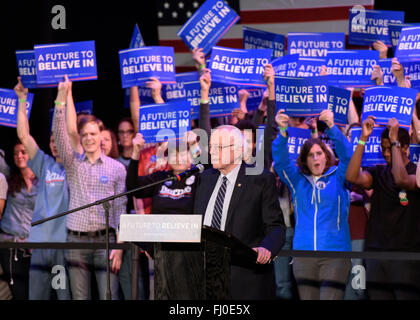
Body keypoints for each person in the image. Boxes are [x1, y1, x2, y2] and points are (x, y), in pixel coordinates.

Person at [52, 76, 126, 300]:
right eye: (84, 135)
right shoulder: (73, 164)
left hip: (107, 241)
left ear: (101, 136)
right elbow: (61, 133)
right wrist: (61, 99)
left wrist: (120, 247)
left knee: (108, 297)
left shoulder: (117, 168)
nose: (89, 138)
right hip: (76, 241)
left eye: (93, 134)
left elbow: (120, 209)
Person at [194, 122, 285, 299]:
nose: (211, 151)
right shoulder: (205, 178)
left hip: (243, 278)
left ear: (237, 151)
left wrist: (266, 248)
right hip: (205, 275)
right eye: (211, 146)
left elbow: (276, 227)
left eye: (218, 147)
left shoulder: (260, 179)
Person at [272, 103, 353, 299]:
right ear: (305, 160)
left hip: (335, 254)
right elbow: (281, 162)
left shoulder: (339, 177)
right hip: (303, 255)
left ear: (326, 156)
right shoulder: (297, 181)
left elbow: (349, 157)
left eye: (319, 154)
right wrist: (283, 131)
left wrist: (332, 126)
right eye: (310, 155)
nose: (315, 159)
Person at [346, 116, 420, 299]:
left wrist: (395, 139)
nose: (386, 153)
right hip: (376, 253)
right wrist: (363, 138)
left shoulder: (416, 172)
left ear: (405, 148)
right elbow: (351, 177)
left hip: (406, 255)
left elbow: (402, 180)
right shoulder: (378, 172)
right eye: (384, 149)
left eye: (391, 148)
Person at [14, 77, 71, 300]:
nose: (56, 143)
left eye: (60, 139)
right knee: (36, 296)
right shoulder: (43, 163)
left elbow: (73, 133)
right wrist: (21, 99)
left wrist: (65, 96)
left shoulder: (74, 166)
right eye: (52, 140)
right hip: (39, 246)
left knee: (63, 296)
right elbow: (23, 136)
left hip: (63, 247)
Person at [0, 141, 37, 300]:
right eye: (15, 153)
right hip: (9, 245)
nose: (19, 156)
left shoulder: (42, 181)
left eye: (23, 151)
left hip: (32, 247)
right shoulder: (9, 177)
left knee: (33, 292)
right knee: (18, 292)